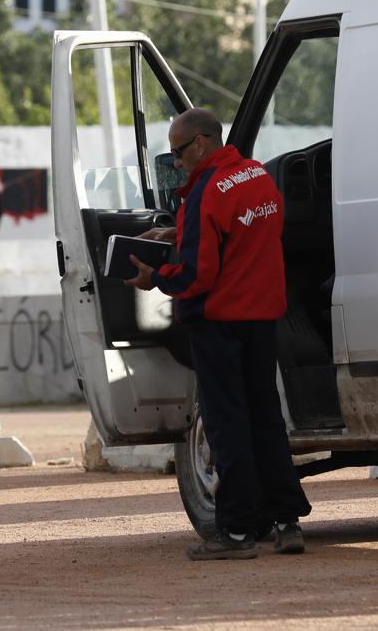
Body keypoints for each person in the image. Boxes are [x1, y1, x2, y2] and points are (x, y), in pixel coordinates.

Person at [125, 108, 311, 560]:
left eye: (179, 152)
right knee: (266, 420)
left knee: (227, 427)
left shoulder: (205, 195)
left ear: (202, 143)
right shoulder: (256, 176)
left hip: (218, 325)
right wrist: (181, 230)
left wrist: (156, 278)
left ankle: (238, 531)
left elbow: (196, 275)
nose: (177, 163)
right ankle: (286, 521)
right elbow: (243, 239)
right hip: (261, 321)